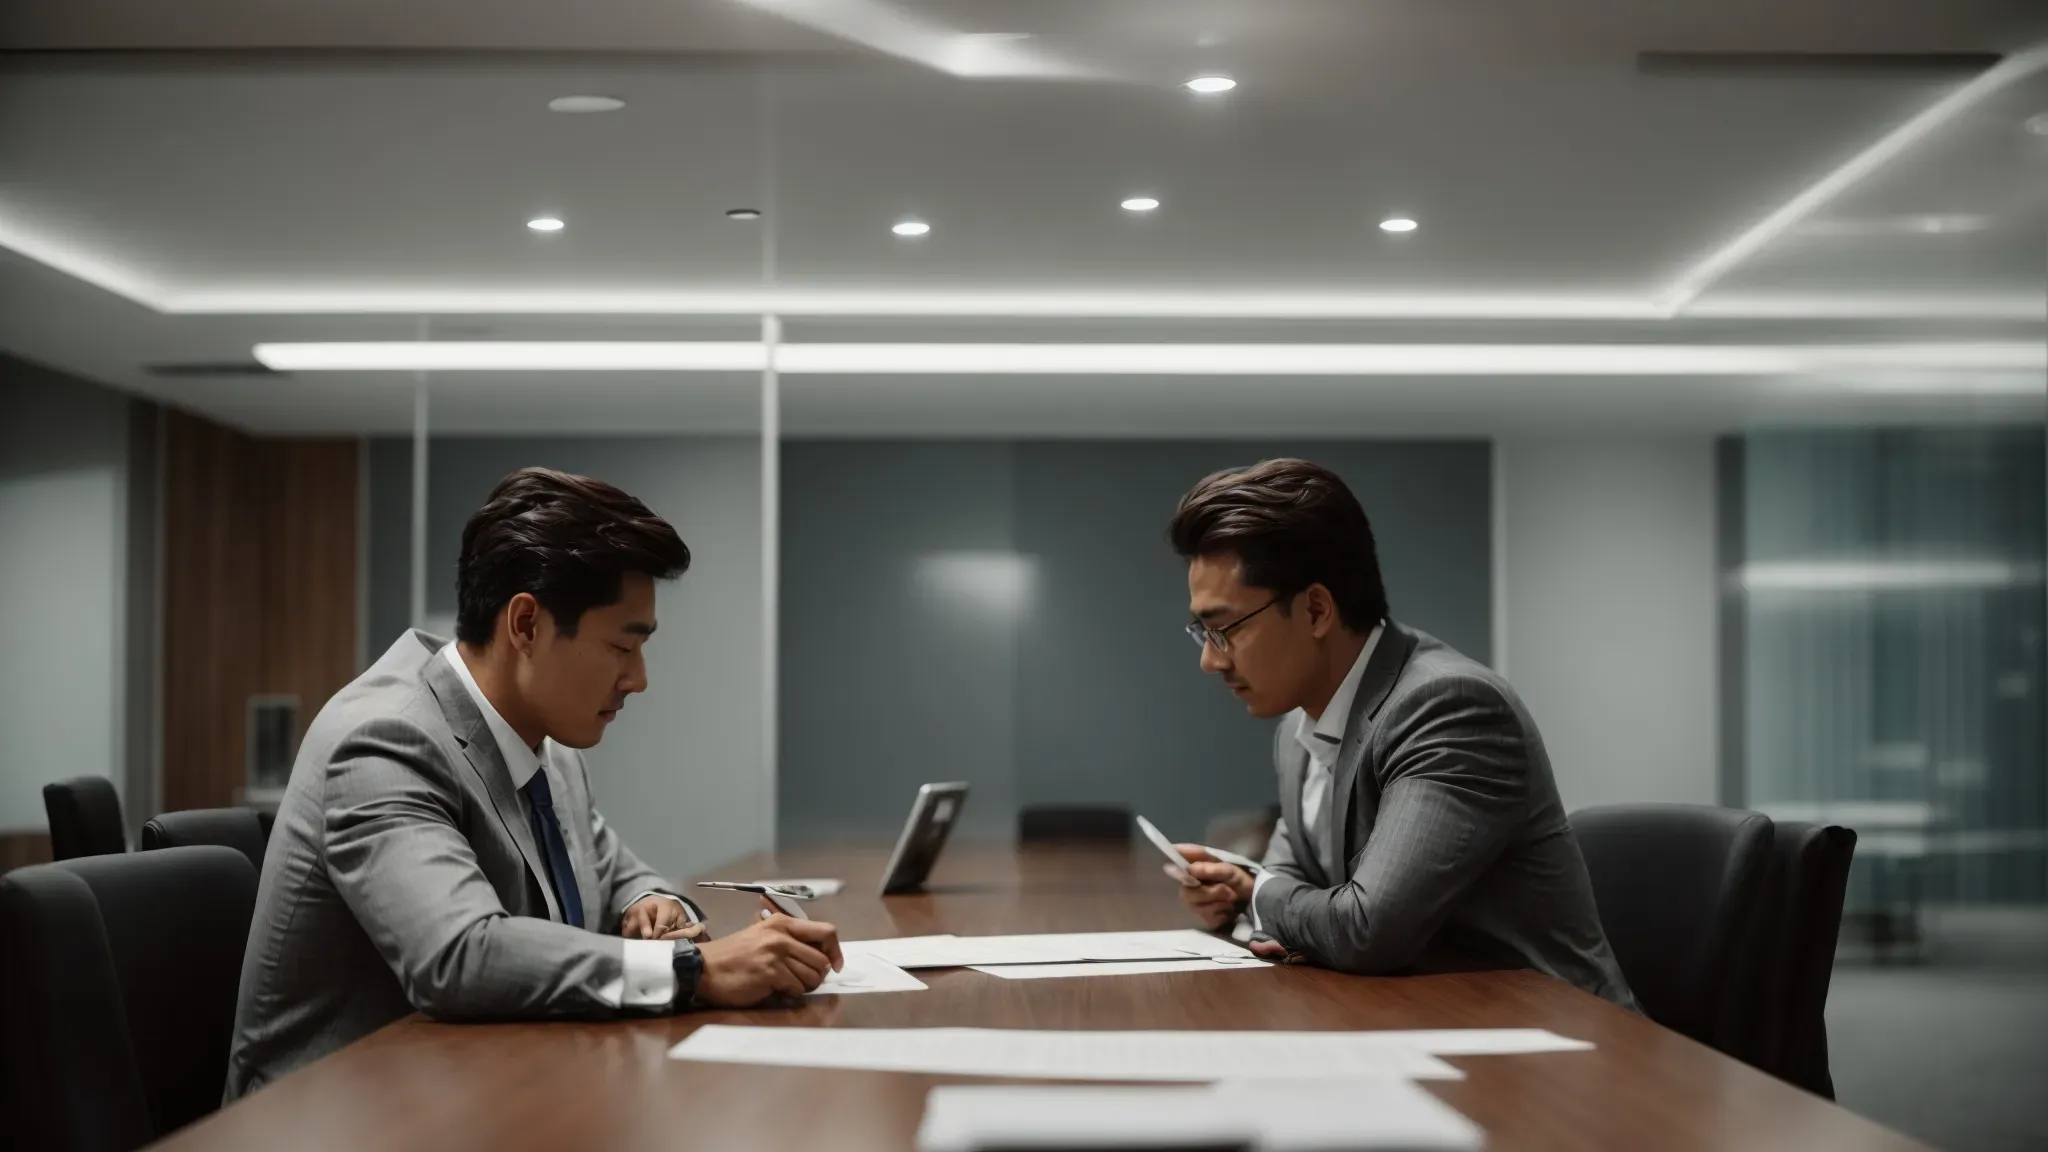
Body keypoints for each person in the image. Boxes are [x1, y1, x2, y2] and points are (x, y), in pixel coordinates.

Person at [225, 467, 842, 1100]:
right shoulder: (385, 739)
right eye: (621, 647)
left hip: (479, 1084)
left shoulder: (542, 739)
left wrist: (655, 910)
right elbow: (459, 956)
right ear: (525, 625)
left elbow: (611, 872)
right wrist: (692, 968)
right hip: (331, 1115)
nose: (639, 679)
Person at [1164, 458, 1634, 1007]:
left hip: (1563, 1045)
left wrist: (1255, 894)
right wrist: (1246, 895)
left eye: (1225, 629)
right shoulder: (1300, 723)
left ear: (1316, 609)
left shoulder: (1449, 707)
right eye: (1203, 631)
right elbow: (1291, 888)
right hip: (1426, 1020)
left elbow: (1366, 928)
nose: (1210, 662)